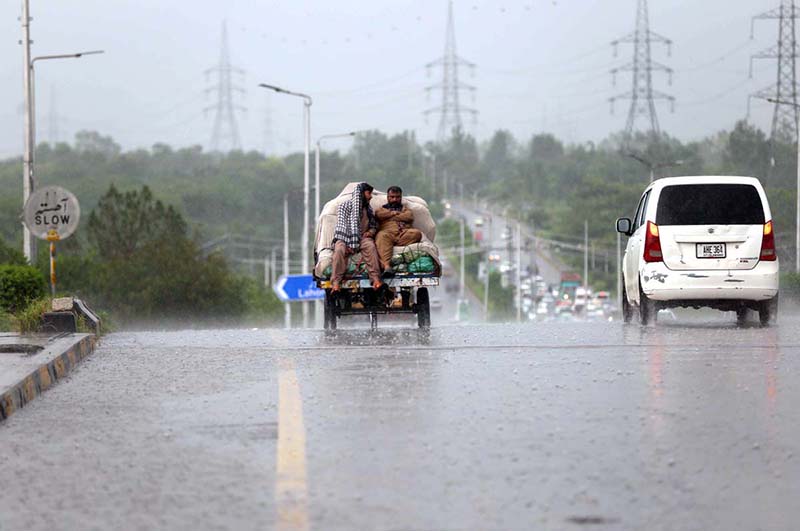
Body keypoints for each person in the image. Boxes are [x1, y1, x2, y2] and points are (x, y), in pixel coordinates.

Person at [330, 182, 383, 292]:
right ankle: (336, 282)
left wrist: (370, 232)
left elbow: (373, 225)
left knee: (371, 247)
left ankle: (376, 280)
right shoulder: (344, 206)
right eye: (369, 193)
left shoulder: (368, 209)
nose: (371, 196)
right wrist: (350, 243)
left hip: (362, 238)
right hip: (345, 237)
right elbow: (342, 225)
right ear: (362, 193)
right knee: (339, 250)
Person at [375, 185, 423, 275]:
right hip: (387, 234)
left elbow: (408, 217)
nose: (394, 199)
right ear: (387, 197)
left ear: (401, 197)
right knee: (381, 236)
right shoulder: (381, 209)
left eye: (397, 197)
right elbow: (380, 215)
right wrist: (396, 214)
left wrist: (390, 216)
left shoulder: (406, 209)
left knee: (416, 233)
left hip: (404, 235)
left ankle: (390, 244)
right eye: (392, 197)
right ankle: (386, 266)